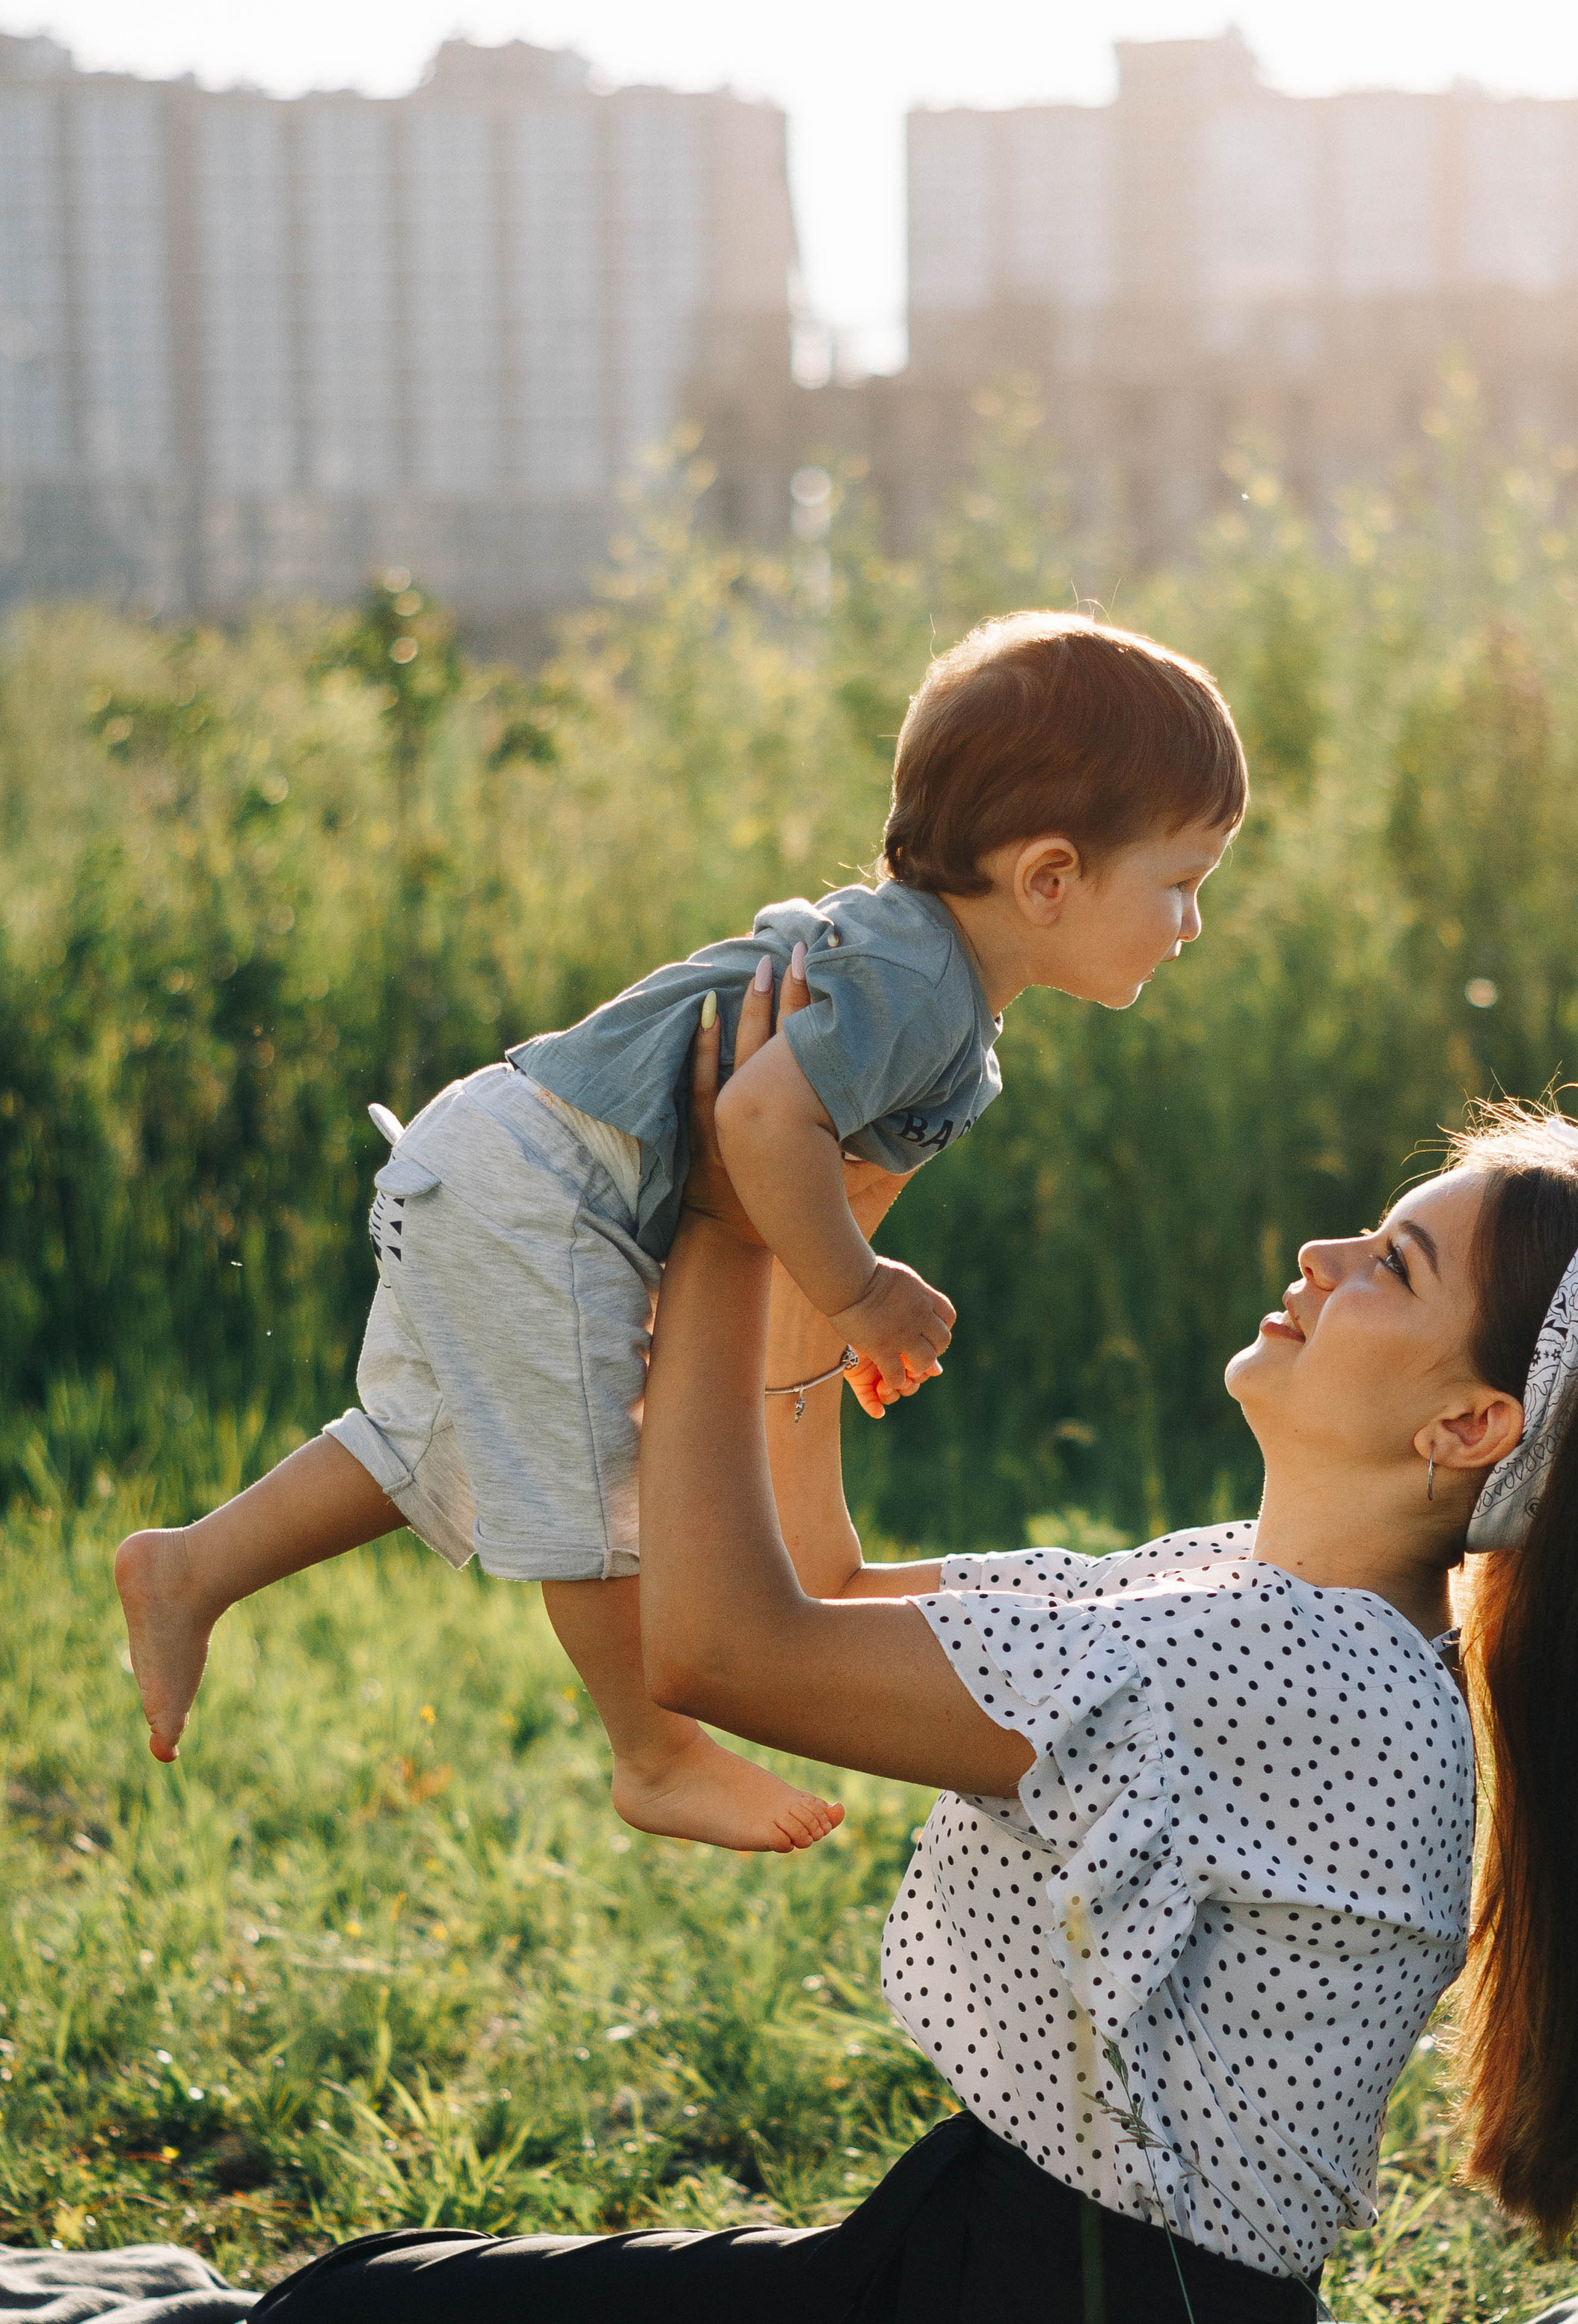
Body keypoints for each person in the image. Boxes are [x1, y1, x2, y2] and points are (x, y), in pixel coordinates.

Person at [135, 978, 1578, 2324]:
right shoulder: (1237, 1592)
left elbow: (723, 1650)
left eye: (1389, 1262)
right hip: (943, 2297)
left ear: (1465, 1426)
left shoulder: (1295, 1677)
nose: (1319, 1256)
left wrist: (725, 1221)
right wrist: (821, 1237)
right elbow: (825, 1585)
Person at [112, 613, 1245, 1853]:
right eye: (1182, 884)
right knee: (603, 1478)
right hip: (552, 1187)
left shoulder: (932, 991)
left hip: (503, 1160)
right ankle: (652, 1757)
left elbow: (796, 1166)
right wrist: (859, 1290)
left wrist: (842, 1310)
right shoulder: (922, 987)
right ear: (1049, 878)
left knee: (426, 1448)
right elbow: (758, 1120)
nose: (1192, 923)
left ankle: (190, 1567)